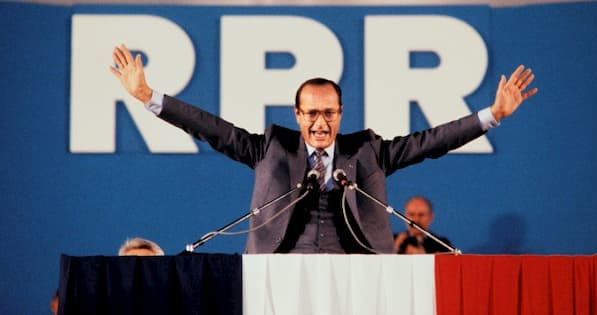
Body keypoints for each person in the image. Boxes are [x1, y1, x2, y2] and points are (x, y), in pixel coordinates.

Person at [110, 44, 537, 254]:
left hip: (357, 273)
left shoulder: (367, 150)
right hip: (279, 274)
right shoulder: (271, 148)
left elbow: (431, 141)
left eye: (329, 113)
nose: (321, 123)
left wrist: (492, 114)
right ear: (297, 114)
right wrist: (149, 95)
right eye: (312, 114)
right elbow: (211, 128)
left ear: (341, 112)